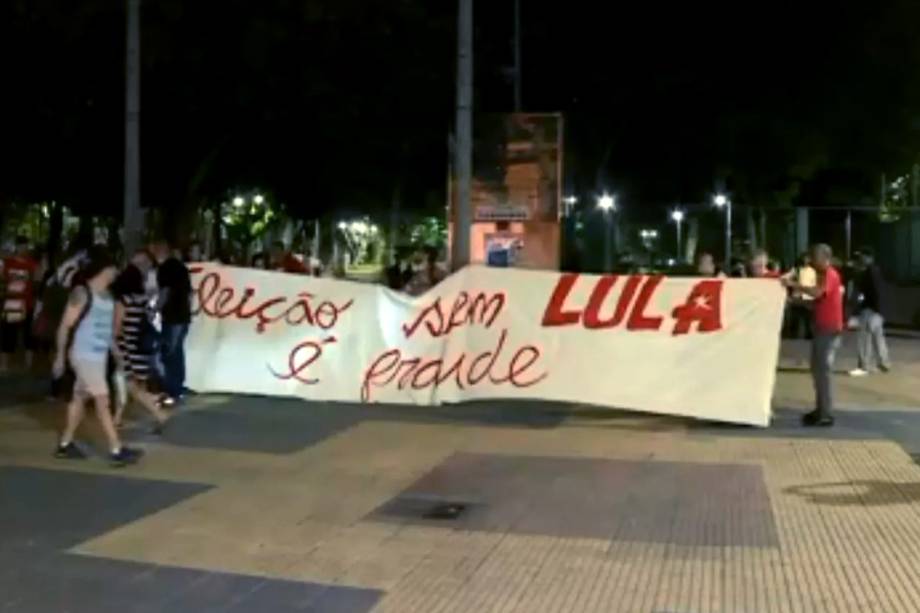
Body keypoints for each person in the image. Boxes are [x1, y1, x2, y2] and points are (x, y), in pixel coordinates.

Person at [53, 246, 143, 466]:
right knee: (103, 401)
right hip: (84, 356)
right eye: (114, 269)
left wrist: (117, 353)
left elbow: (107, 331)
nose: (116, 273)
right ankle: (116, 449)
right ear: (105, 269)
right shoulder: (82, 293)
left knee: (80, 398)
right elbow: (64, 326)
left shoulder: (108, 296)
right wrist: (60, 356)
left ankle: (65, 445)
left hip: (98, 357)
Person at [782, 243, 844, 427]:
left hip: (829, 329)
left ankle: (825, 413)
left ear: (825, 257)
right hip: (822, 328)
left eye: (814, 257)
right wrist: (793, 301)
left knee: (822, 371)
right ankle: (821, 409)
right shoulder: (822, 275)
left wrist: (793, 284)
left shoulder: (829, 274)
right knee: (817, 370)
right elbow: (816, 302)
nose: (811, 261)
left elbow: (817, 293)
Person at [111, 249, 170, 431]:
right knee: (131, 385)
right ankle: (118, 418)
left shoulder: (124, 301)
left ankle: (159, 413)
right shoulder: (143, 300)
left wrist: (115, 348)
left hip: (126, 348)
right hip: (141, 348)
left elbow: (116, 328)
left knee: (130, 386)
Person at [151, 239, 192, 406]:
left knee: (169, 354)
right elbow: (189, 293)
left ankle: (171, 390)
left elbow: (165, 291)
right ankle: (178, 388)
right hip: (183, 316)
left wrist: (155, 309)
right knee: (177, 352)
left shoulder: (165, 269)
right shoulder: (181, 267)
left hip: (173, 317)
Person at [849, 248, 890, 377]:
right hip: (877, 310)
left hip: (871, 310)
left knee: (864, 337)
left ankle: (864, 366)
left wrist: (871, 309)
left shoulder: (869, 272)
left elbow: (871, 293)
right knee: (878, 337)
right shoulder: (874, 271)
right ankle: (884, 363)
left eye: (862, 257)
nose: (860, 260)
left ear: (869, 257)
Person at [1, 236, 39, 372]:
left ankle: (28, 365)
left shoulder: (32, 264)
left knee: (29, 335)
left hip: (27, 303)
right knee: (9, 334)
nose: (23, 249)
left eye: (25, 247)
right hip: (11, 303)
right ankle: (4, 365)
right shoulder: (7, 263)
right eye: (20, 246)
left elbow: (36, 283)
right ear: (16, 247)